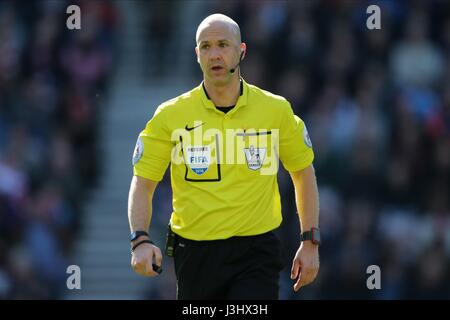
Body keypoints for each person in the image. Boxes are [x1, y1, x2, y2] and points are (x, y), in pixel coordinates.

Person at [128, 13, 320, 300]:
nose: (214, 54)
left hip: (256, 251)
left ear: (241, 51)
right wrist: (139, 239)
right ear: (196, 55)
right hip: (194, 252)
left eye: (223, 45)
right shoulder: (170, 116)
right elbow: (143, 183)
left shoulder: (275, 110)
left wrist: (310, 242)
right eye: (205, 47)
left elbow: (303, 172)